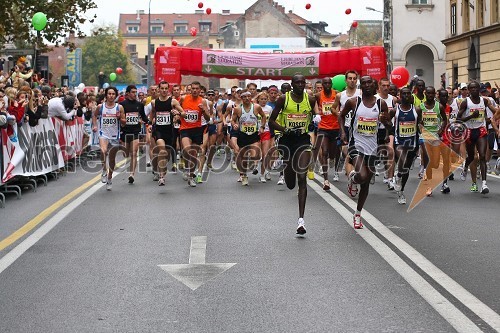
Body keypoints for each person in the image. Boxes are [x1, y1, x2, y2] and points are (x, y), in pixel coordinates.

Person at [340, 75, 390, 229]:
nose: (367, 85)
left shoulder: (381, 104)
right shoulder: (354, 102)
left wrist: (385, 124)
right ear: (362, 86)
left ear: (375, 86)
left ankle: (357, 214)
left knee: (366, 183)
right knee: (362, 175)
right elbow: (340, 116)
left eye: (370, 82)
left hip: (372, 147)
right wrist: (343, 133)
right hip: (356, 145)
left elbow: (387, 123)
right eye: (365, 83)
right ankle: (352, 179)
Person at [269, 74, 316, 235]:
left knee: (302, 177)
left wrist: (313, 121)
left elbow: (313, 116)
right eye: (298, 82)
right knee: (290, 184)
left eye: (303, 82)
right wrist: (285, 129)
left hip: (302, 140)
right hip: (286, 140)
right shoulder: (283, 99)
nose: (301, 84)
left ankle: (301, 220)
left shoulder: (310, 99)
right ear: (292, 84)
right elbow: (271, 121)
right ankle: (285, 166)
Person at [458, 81, 499, 194]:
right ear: (469, 90)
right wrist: (471, 116)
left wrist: (489, 118)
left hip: (481, 130)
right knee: (471, 157)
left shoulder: (484, 101)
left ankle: (484, 184)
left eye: (476, 88)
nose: (474, 90)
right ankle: (465, 167)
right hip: (469, 131)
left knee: (481, 156)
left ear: (479, 90)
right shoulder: (465, 102)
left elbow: (494, 111)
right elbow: (458, 119)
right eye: (472, 88)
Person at [150, 81, 184, 186]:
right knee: (162, 150)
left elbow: (183, 113)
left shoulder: (172, 102)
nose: (164, 91)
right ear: (159, 89)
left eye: (166, 89)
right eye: (162, 88)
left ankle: (162, 170)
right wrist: (152, 122)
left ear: (168, 90)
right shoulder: (154, 102)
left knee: (167, 156)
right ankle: (161, 176)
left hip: (170, 131)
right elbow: (152, 114)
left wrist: (177, 113)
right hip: (158, 130)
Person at [392, 87, 422, 204]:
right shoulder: (395, 111)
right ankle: (398, 175)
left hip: (412, 143)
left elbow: (419, 125)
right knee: (402, 159)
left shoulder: (417, 110)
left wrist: (420, 143)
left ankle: (401, 191)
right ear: (400, 96)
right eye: (403, 94)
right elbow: (389, 124)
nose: (406, 96)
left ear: (411, 96)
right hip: (399, 142)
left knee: (406, 169)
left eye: (408, 94)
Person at [231, 89, 267, 185]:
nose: (247, 98)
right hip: (242, 135)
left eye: (248, 96)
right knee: (243, 157)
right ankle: (244, 175)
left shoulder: (256, 107)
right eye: (244, 97)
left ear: (251, 97)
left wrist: (262, 126)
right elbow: (232, 120)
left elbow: (264, 116)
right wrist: (234, 124)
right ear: (241, 98)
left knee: (255, 153)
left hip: (254, 134)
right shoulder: (238, 109)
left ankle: (254, 165)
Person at [418, 86, 449, 196]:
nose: (430, 95)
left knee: (435, 163)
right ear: (425, 93)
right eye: (429, 93)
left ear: (435, 94)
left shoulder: (439, 106)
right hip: (424, 136)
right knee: (428, 159)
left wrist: (441, 129)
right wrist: (420, 126)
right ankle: (429, 187)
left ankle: (427, 173)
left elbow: (445, 120)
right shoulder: (420, 107)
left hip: (435, 136)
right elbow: (417, 122)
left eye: (432, 93)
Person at [179, 81, 211, 187]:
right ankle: (187, 169)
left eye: (197, 88)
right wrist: (177, 115)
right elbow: (178, 109)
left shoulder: (203, 101)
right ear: (190, 89)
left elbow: (207, 118)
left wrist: (203, 111)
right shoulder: (184, 98)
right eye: (193, 88)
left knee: (193, 155)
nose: (195, 90)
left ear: (200, 90)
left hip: (197, 129)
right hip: (185, 129)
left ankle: (191, 175)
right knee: (188, 150)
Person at [92, 86, 123, 191]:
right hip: (103, 133)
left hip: (114, 135)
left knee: (112, 159)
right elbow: (94, 116)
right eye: (109, 94)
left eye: (113, 94)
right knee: (103, 151)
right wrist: (95, 125)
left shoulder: (119, 107)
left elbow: (124, 122)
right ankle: (104, 170)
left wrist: (120, 118)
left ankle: (110, 177)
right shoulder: (101, 107)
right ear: (106, 95)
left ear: (115, 95)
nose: (111, 96)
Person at [313, 77, 340, 190]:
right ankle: (326, 180)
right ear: (322, 84)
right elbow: (313, 103)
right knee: (324, 152)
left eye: (329, 83)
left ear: (331, 84)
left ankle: (333, 158)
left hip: (335, 127)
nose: (327, 85)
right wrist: (317, 114)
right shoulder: (319, 95)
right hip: (323, 127)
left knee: (332, 153)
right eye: (325, 83)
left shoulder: (337, 94)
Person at [120, 85, 149, 184]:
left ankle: (131, 174)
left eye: (135, 92)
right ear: (127, 93)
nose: (134, 94)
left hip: (135, 132)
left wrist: (149, 122)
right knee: (126, 153)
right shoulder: (122, 104)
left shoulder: (139, 105)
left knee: (134, 153)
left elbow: (144, 116)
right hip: (125, 132)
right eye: (133, 92)